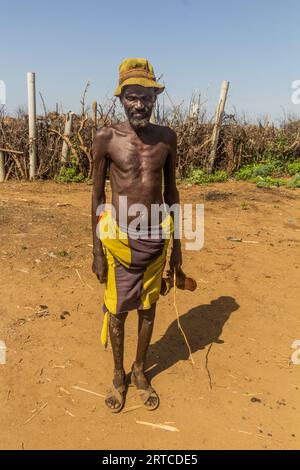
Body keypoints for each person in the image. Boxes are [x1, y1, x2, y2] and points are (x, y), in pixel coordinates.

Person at [91, 58, 182, 413]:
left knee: (148, 308)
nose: (139, 105)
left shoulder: (167, 139)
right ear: (121, 99)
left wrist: (178, 250)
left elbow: (172, 193)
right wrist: (97, 251)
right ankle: (118, 374)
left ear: (155, 98)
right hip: (119, 240)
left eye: (146, 97)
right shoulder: (106, 138)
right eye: (131, 97)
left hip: (156, 239)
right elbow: (97, 196)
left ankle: (140, 370)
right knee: (117, 310)